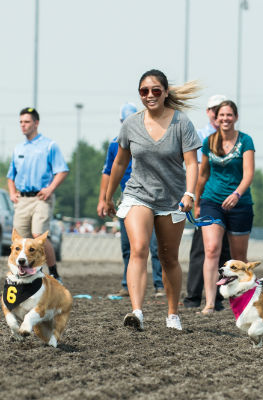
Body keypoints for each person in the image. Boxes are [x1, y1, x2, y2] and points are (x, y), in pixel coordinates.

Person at [103, 69, 201, 331]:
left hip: (172, 198)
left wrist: (189, 193)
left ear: (165, 92)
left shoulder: (182, 123)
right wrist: (109, 194)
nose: (149, 96)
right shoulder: (131, 124)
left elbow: (192, 163)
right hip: (138, 194)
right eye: (144, 91)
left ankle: (172, 313)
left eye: (155, 90)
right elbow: (120, 161)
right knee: (139, 249)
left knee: (168, 258)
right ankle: (136, 312)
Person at [97, 103, 165, 298]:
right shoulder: (114, 143)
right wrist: (104, 199)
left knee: (155, 245)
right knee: (128, 246)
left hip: (152, 198)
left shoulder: (151, 140)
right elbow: (108, 172)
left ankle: (159, 284)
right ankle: (128, 284)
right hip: (126, 197)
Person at [195, 100, 255, 315]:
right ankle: (210, 302)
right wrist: (196, 200)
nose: (225, 119)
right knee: (211, 249)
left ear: (236, 117)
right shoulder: (208, 142)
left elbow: (248, 174)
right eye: (222, 115)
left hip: (240, 204)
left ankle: (243, 300)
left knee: (239, 258)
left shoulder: (246, 141)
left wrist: (237, 194)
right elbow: (202, 175)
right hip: (212, 201)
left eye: (229, 115)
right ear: (216, 118)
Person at [7, 107, 69, 282]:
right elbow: (10, 176)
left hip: (42, 198)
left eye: (26, 122)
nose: (23, 125)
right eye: (21, 122)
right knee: (19, 240)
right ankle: (24, 275)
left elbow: (62, 170)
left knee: (38, 235)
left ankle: (54, 273)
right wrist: (12, 193)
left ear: (36, 123)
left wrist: (50, 189)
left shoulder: (49, 146)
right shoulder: (18, 148)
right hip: (23, 199)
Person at [183, 95, 232, 310]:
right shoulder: (201, 136)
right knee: (201, 248)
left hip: (227, 199)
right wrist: (195, 197)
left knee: (224, 251)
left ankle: (219, 297)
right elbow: (196, 169)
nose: (216, 114)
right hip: (207, 197)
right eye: (214, 110)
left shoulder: (231, 138)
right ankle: (193, 296)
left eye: (221, 110)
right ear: (208, 112)